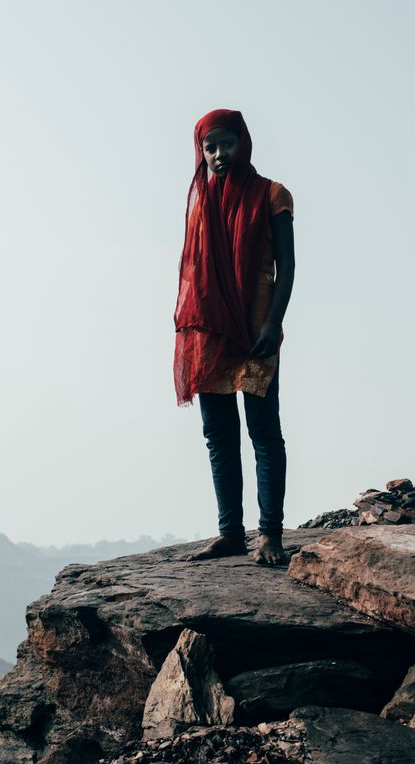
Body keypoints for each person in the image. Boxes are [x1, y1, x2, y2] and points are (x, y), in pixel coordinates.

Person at [173, 109, 295, 566]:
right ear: (201, 152)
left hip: (256, 322)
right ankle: (230, 534)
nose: (220, 154)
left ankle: (270, 535)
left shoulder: (272, 194)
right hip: (210, 328)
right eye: (211, 147)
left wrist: (272, 323)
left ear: (243, 143)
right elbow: (194, 272)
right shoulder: (201, 203)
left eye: (227, 144)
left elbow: (287, 266)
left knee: (264, 431)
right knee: (219, 434)